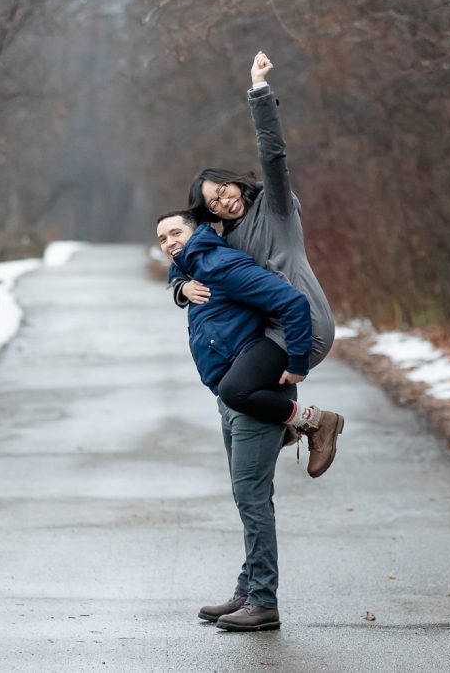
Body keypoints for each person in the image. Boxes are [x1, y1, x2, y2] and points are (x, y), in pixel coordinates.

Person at [155, 210, 343, 632]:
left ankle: (263, 601)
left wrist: (297, 364)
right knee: (248, 497)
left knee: (252, 499)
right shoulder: (194, 266)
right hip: (230, 396)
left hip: (254, 393)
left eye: (176, 233)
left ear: (198, 232)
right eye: (163, 238)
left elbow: (291, 302)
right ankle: (247, 589)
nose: (169, 242)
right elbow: (179, 275)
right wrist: (180, 286)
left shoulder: (221, 264)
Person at [170, 51, 340, 473]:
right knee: (226, 373)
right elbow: (188, 251)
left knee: (236, 391)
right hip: (272, 328)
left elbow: (273, 155)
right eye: (213, 202)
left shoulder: (275, 206)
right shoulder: (225, 238)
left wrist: (259, 90)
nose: (224, 200)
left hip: (303, 321)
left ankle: (318, 423)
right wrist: (180, 286)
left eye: (223, 189)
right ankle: (282, 423)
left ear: (233, 181)